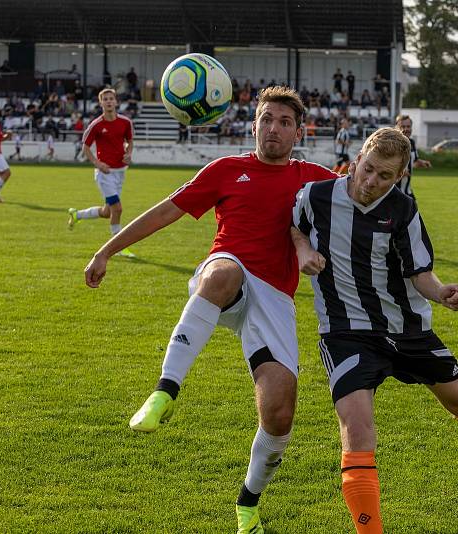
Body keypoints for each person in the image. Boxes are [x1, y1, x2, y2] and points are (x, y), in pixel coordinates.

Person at [82, 86, 338, 533]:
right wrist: (107, 250)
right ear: (252, 123)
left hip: (275, 298)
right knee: (222, 273)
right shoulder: (226, 169)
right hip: (228, 274)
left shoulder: (315, 178)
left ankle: (247, 506)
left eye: (284, 122)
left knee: (279, 416)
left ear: (298, 132)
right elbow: (165, 213)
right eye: (266, 119)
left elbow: (362, 197)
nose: (273, 129)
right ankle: (164, 391)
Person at [291, 128, 458, 533]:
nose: (371, 182)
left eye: (384, 177)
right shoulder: (316, 196)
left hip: (406, 328)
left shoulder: (403, 210)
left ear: (399, 177)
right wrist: (304, 250)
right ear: (357, 159)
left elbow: (420, 273)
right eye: (369, 170)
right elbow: (296, 227)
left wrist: (442, 292)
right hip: (345, 331)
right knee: (357, 429)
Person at [67, 88, 137, 257]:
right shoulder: (96, 125)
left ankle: (77, 215)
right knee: (118, 209)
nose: (108, 101)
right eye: (105, 99)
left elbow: (130, 141)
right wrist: (97, 163)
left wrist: (128, 153)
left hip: (120, 171)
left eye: (111, 98)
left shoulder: (126, 122)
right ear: (100, 103)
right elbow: (85, 147)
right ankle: (118, 248)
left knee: (108, 212)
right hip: (104, 174)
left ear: (116, 101)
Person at [394, 114, 432, 201]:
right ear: (396, 127)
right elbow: (385, 164)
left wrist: (422, 163)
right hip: (394, 191)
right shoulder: (393, 144)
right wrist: (399, 171)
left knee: (414, 213)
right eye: (402, 126)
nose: (406, 129)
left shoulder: (412, 142)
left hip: (408, 191)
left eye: (408, 126)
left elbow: (415, 160)